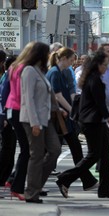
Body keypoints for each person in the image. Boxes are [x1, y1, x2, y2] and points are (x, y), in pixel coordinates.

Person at [56, 50, 109, 199]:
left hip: (95, 121)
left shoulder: (92, 77)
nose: (106, 67)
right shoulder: (94, 79)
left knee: (105, 155)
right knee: (93, 155)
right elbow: (99, 104)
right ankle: (65, 178)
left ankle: (105, 189)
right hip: (92, 121)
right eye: (104, 65)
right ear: (97, 65)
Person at [46, 47, 98, 191]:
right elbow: (57, 96)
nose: (72, 64)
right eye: (71, 60)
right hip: (57, 116)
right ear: (63, 58)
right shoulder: (55, 73)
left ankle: (86, 180)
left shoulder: (59, 72)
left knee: (74, 147)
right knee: (58, 150)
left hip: (62, 115)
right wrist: (72, 110)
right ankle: (17, 179)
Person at [19, 42, 62, 203]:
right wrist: (34, 123)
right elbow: (28, 99)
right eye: (46, 53)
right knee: (36, 155)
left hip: (46, 118)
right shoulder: (29, 71)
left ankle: (36, 184)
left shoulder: (39, 71)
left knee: (55, 150)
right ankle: (31, 192)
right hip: (33, 119)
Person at [4, 42, 36, 201]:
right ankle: (17, 185)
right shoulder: (25, 69)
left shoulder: (14, 67)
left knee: (26, 149)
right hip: (19, 110)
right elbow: (26, 93)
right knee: (27, 150)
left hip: (13, 109)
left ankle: (16, 183)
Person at [0, 55, 17, 187]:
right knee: (7, 147)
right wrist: (5, 115)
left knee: (10, 147)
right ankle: (4, 176)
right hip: (6, 115)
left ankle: (6, 176)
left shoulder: (7, 76)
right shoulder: (7, 77)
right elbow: (5, 96)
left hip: (7, 115)